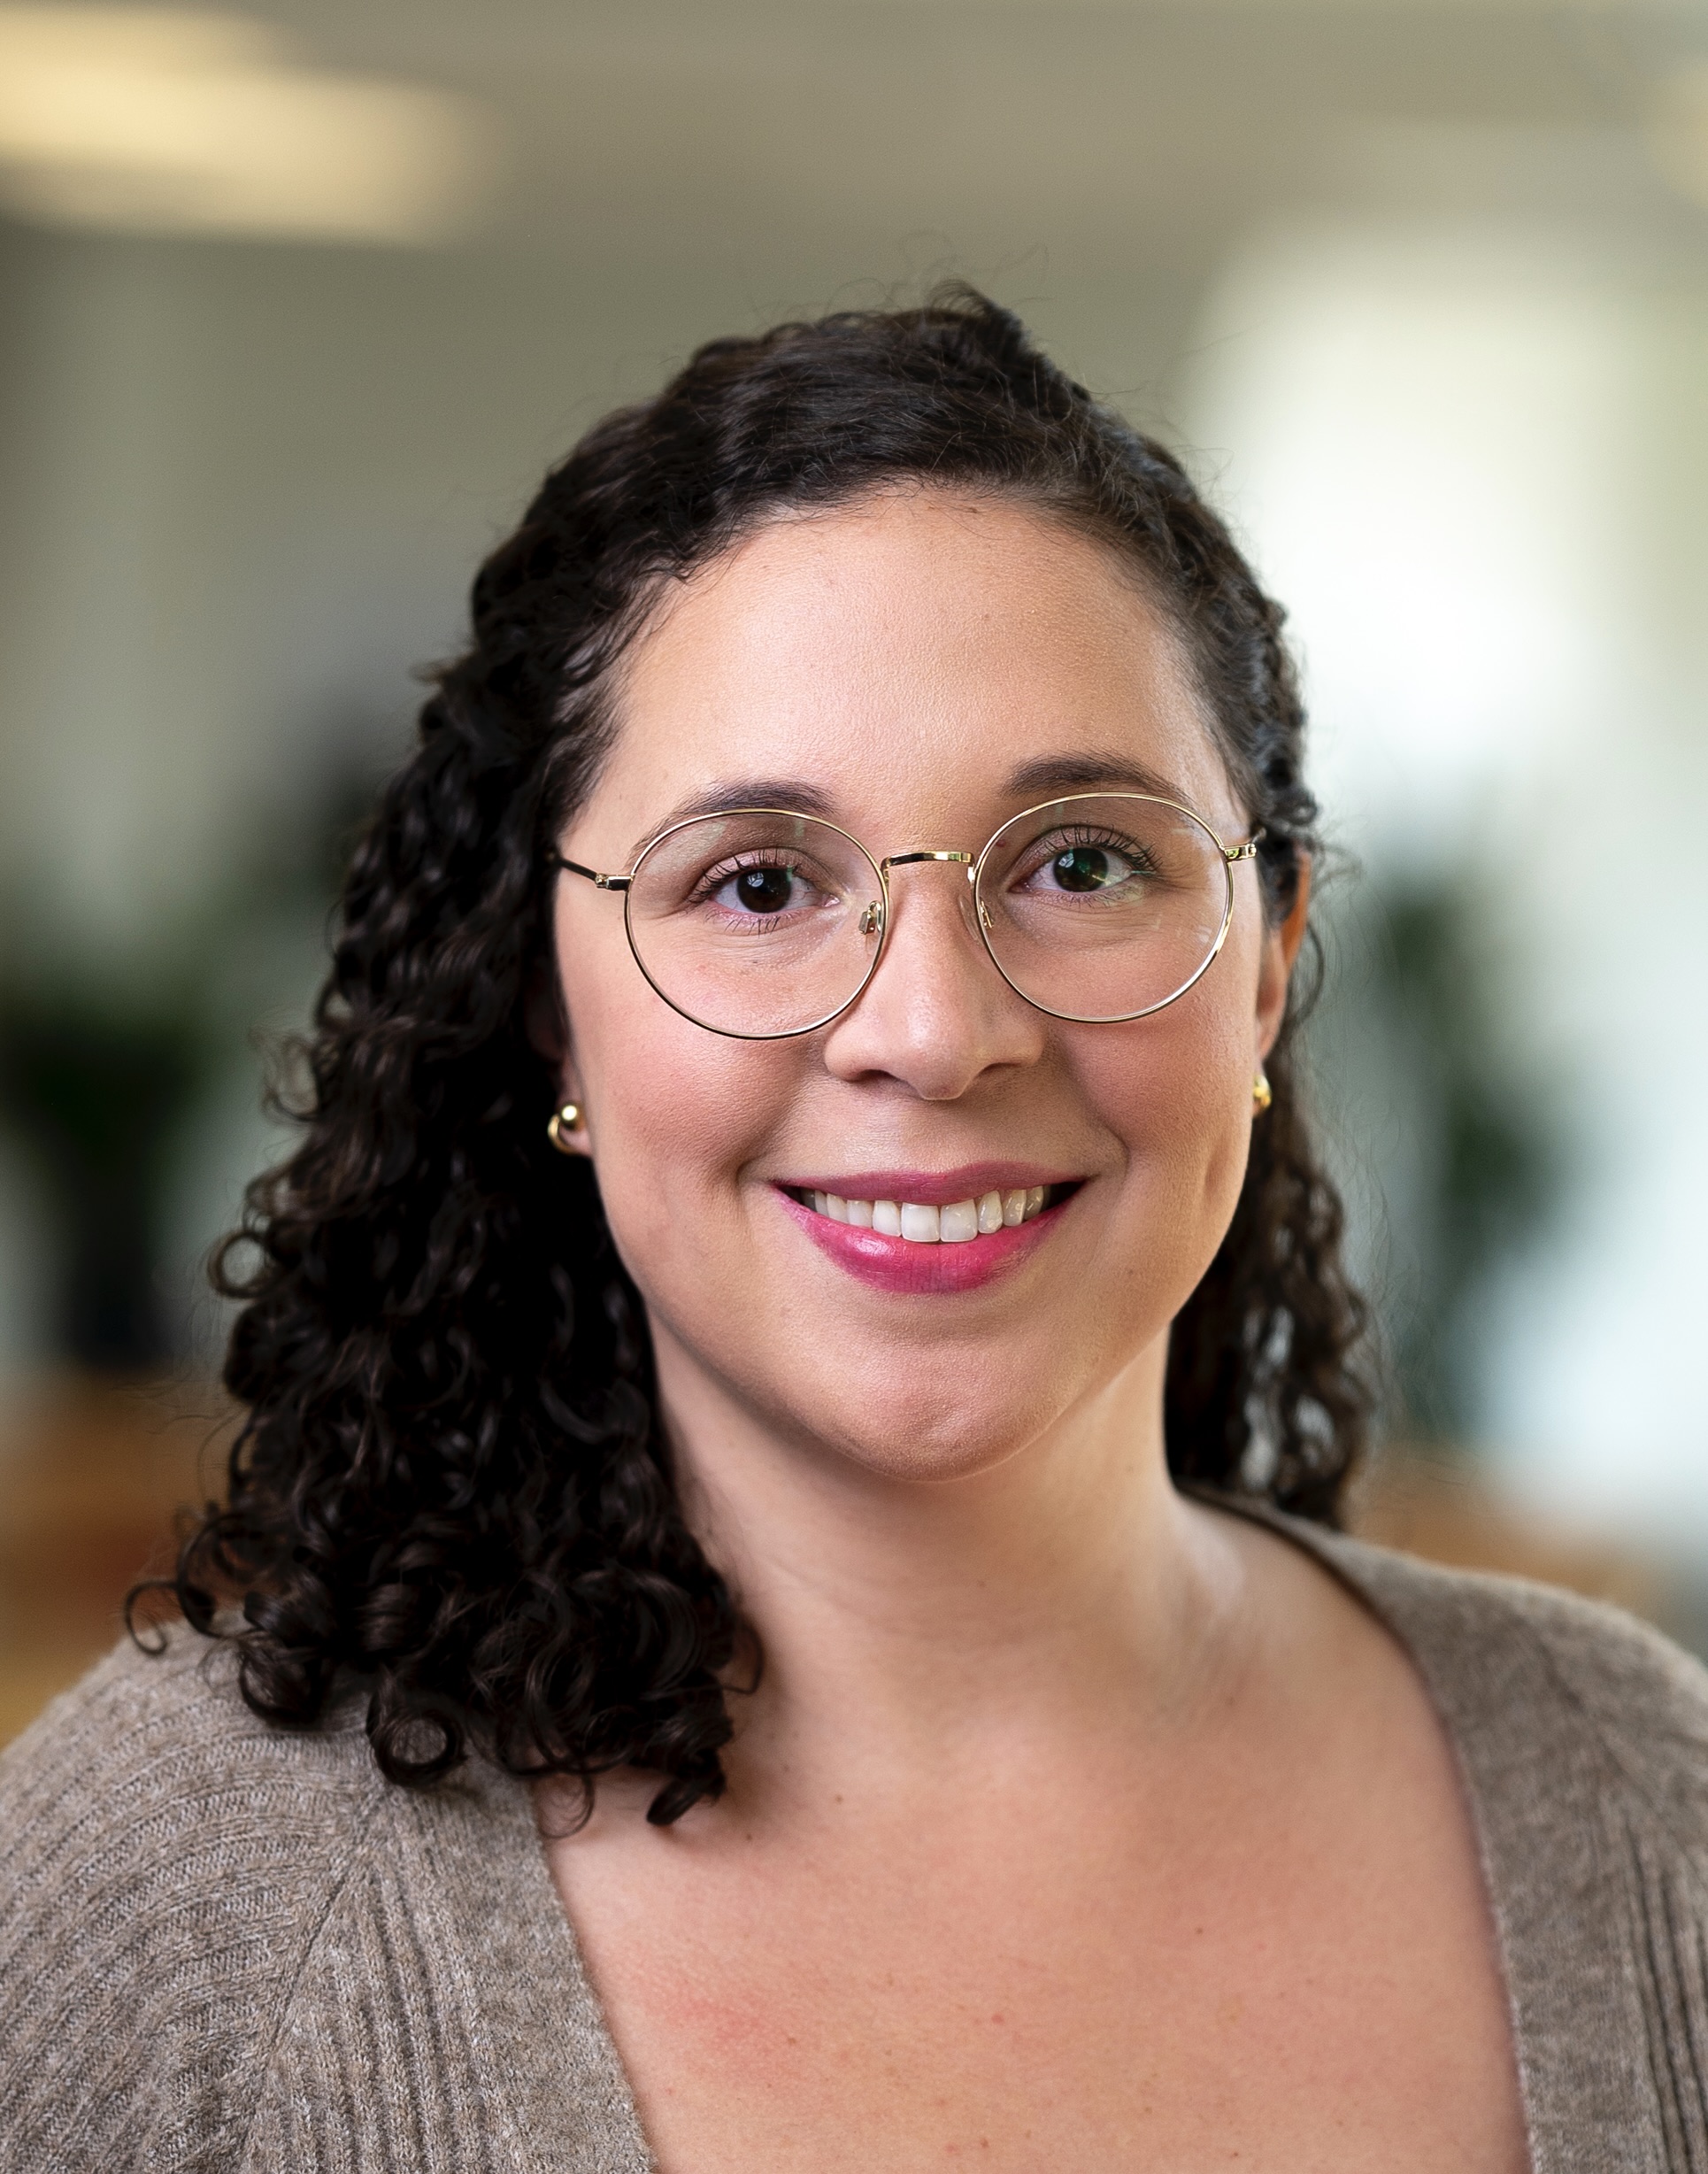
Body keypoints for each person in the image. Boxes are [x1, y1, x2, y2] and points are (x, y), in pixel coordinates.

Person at [3, 290, 1704, 2174]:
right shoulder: (182, 1905)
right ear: (551, 1005)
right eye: (753, 882)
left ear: (1269, 967)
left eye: (1078, 863)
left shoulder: (1639, 1806)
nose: (929, 1028)